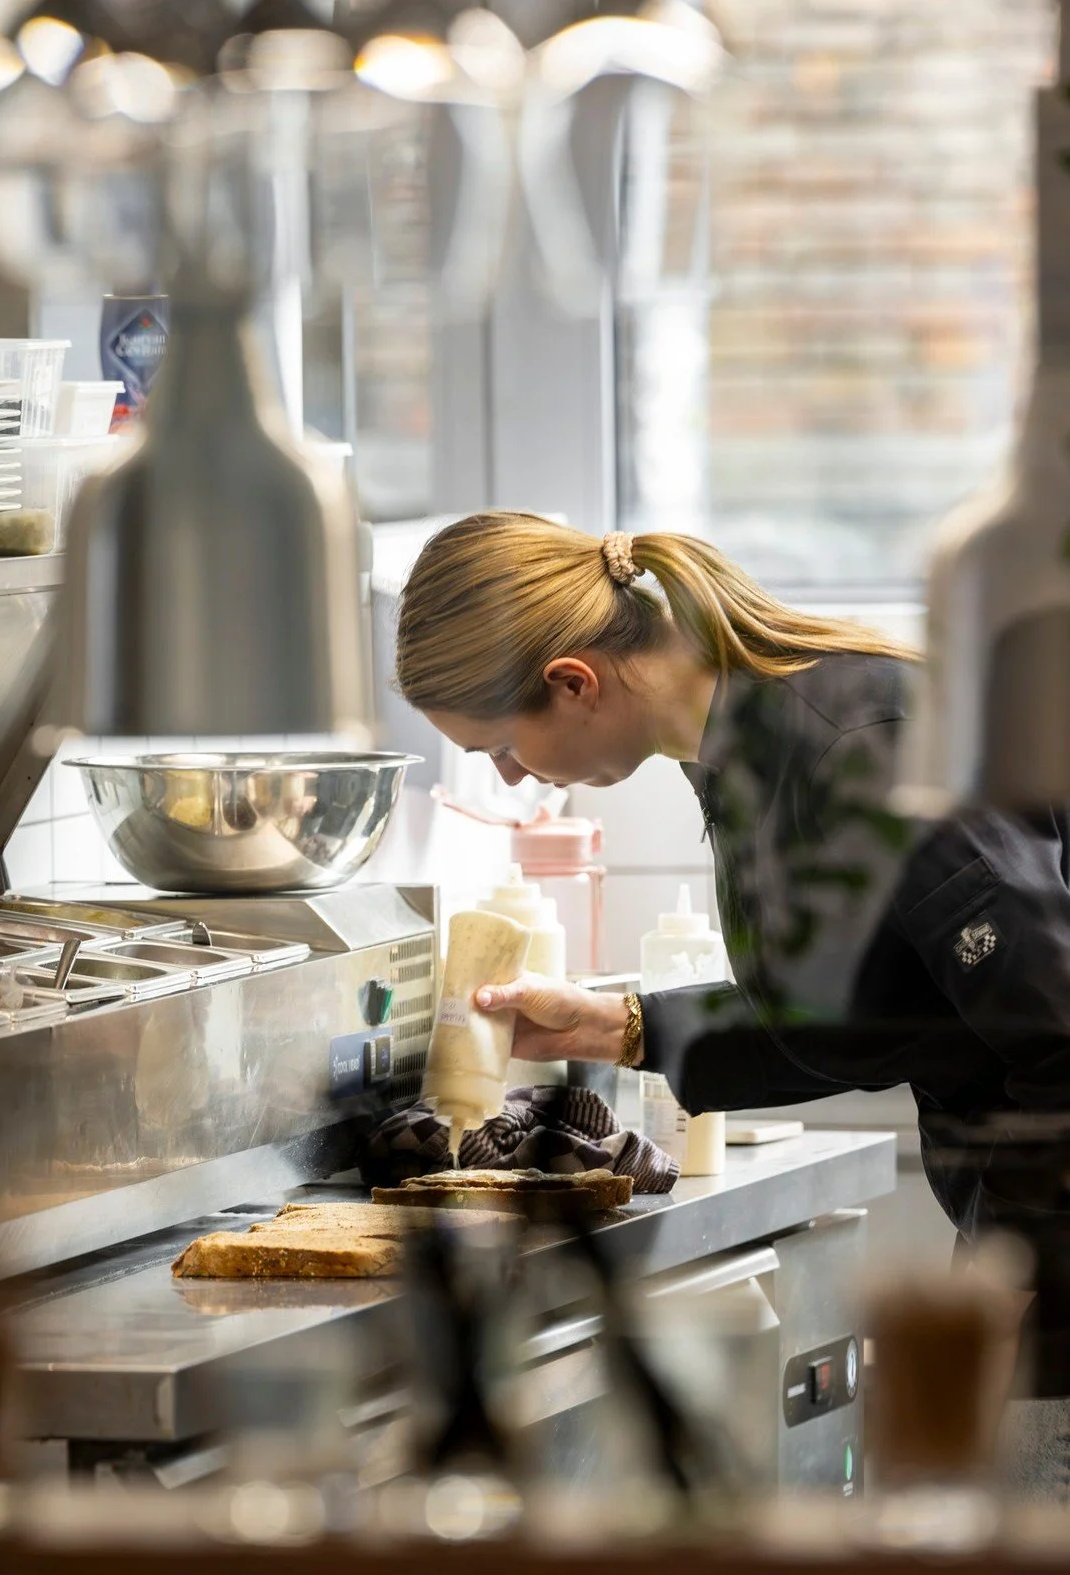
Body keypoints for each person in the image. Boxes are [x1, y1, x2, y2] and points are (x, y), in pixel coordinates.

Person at [396, 511, 1070, 1415]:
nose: (513, 779)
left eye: (500, 751)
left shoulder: (864, 745)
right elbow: (869, 1005)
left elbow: (1059, 1037)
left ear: (572, 682)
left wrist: (998, 1285)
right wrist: (623, 1026)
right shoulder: (735, 755)